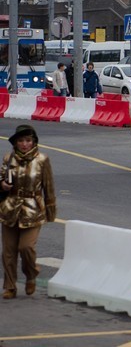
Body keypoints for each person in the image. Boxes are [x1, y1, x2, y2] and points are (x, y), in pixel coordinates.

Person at [0, 124, 56, 299]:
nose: (24, 144)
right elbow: (1, 177)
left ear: (34, 142)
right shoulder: (9, 158)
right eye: (21, 141)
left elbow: (49, 187)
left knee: (26, 247)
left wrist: (50, 210)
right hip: (10, 209)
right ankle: (10, 286)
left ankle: (31, 274)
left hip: (33, 210)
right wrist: (2, 185)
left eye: (28, 140)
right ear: (15, 143)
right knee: (8, 252)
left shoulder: (42, 160)